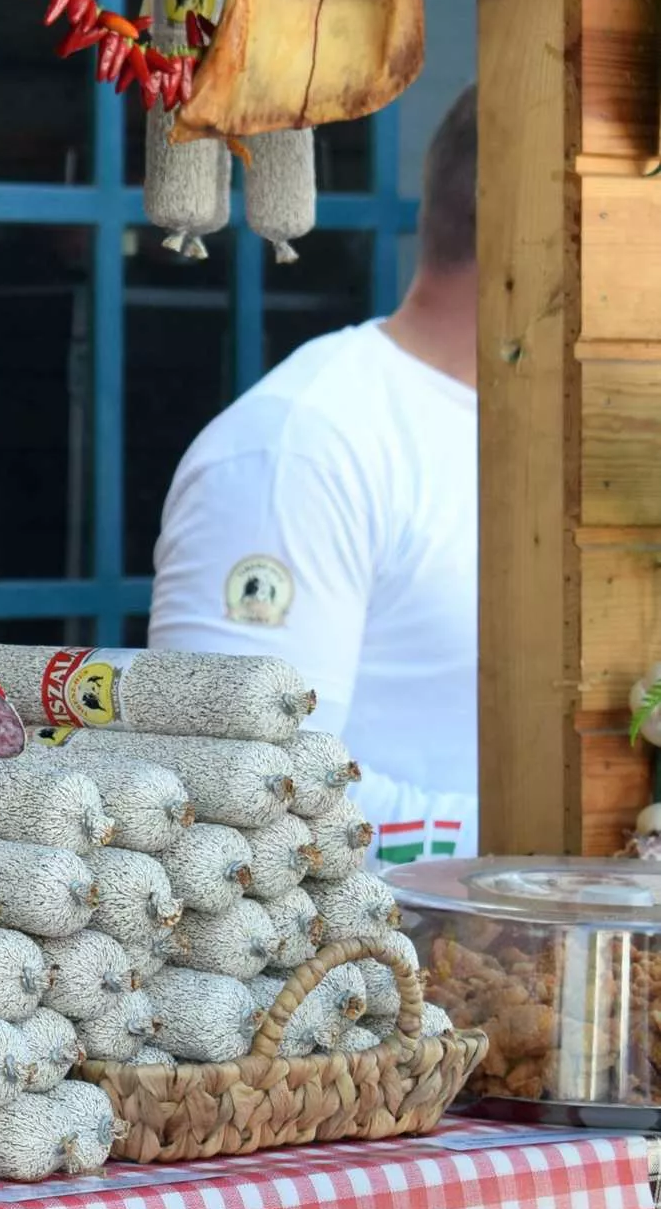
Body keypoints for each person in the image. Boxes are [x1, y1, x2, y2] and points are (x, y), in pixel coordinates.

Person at [148, 88, 478, 862]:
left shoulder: (604, 436)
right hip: (365, 976)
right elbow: (235, 796)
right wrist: (556, 863)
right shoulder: (304, 447)